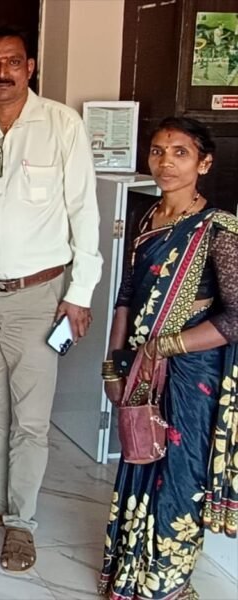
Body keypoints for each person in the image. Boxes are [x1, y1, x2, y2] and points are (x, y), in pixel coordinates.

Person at [0, 26, 102, 573]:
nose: (1, 72)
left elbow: (85, 213)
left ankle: (21, 522)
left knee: (30, 418)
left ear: (30, 67)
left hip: (39, 295)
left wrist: (79, 294)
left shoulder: (61, 125)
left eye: (12, 62)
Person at [99, 117, 238, 600]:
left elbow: (236, 318)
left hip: (191, 376)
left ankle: (167, 586)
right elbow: (126, 296)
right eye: (158, 151)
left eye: (180, 152)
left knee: (180, 474)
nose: (166, 162)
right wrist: (113, 365)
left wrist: (166, 345)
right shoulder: (148, 218)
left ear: (204, 163)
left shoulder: (219, 229)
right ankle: (130, 577)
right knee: (141, 457)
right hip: (142, 371)